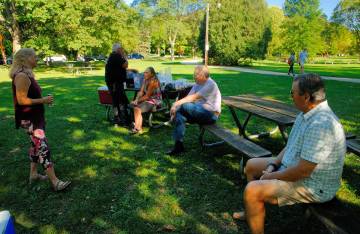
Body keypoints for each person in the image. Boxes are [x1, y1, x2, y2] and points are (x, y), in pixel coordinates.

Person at [232, 73, 346, 234]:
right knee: (251, 165)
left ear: (306, 97)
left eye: (292, 92)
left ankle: (254, 210)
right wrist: (273, 165)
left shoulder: (321, 124)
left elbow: (303, 171)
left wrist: (271, 176)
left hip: (314, 185)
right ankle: (252, 210)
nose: (290, 96)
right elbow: (290, 145)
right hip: (296, 168)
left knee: (252, 190)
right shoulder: (306, 113)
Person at [9, 48, 71, 191]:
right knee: (43, 148)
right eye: (34, 56)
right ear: (25, 59)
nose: (37, 59)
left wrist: (42, 101)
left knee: (35, 146)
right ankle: (55, 182)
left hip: (35, 117)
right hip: (30, 119)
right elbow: (21, 100)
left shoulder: (26, 75)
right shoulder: (21, 76)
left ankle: (33, 174)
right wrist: (43, 100)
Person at [167, 65, 221, 155]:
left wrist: (175, 104)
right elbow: (189, 96)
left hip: (211, 115)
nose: (194, 76)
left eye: (196, 75)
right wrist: (177, 108)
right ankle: (178, 146)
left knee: (185, 106)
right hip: (199, 112)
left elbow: (193, 98)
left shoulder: (211, 84)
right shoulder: (198, 83)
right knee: (180, 114)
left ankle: (173, 118)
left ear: (203, 75)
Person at [130, 67, 162, 134]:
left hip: (154, 101)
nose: (144, 74)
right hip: (148, 100)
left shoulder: (154, 81)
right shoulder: (145, 80)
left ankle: (137, 127)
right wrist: (136, 99)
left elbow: (147, 96)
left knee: (137, 108)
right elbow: (141, 92)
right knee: (133, 105)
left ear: (152, 74)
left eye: (147, 72)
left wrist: (137, 101)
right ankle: (137, 127)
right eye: (144, 72)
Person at [105, 43, 130, 126]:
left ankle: (117, 119)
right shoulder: (116, 56)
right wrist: (125, 57)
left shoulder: (111, 56)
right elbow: (125, 65)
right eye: (121, 49)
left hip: (112, 82)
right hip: (116, 83)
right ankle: (124, 120)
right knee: (122, 101)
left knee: (116, 101)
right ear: (118, 49)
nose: (122, 50)